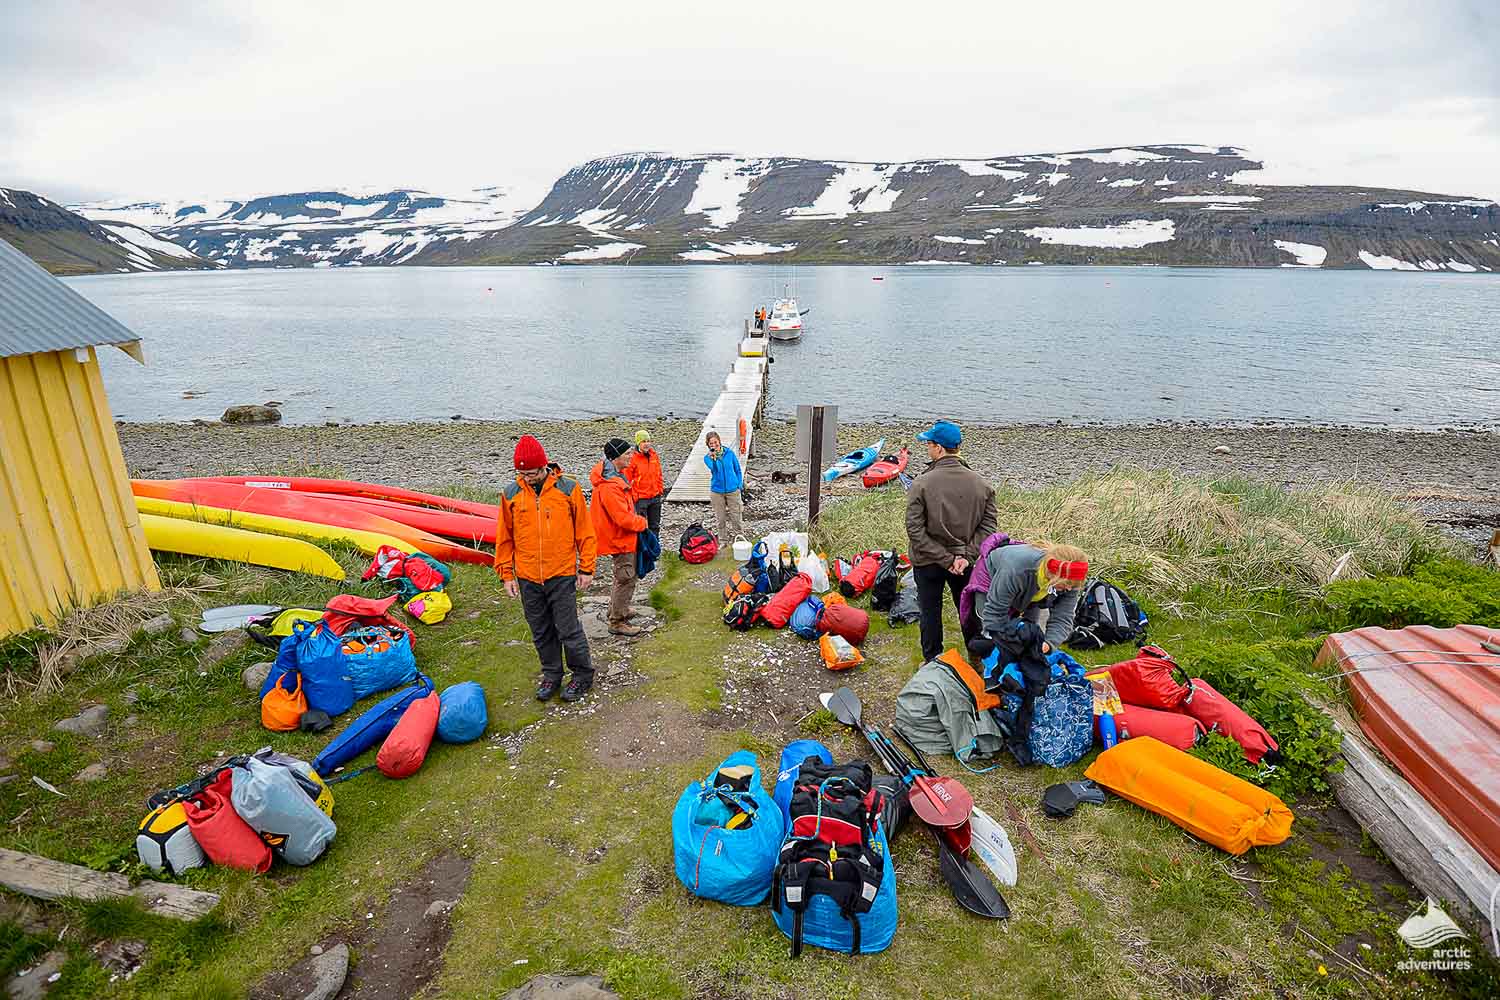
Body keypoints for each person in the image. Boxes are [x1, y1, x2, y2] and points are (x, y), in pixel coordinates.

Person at [495, 434, 597, 703]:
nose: (527, 478)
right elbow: (504, 537)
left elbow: (585, 531)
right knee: (540, 630)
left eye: (531, 473)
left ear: (544, 467)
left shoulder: (568, 488)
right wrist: (507, 574)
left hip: (561, 573)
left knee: (568, 629)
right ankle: (552, 674)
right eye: (522, 473)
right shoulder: (510, 495)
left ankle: (582, 675)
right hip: (527, 576)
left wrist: (586, 568)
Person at [904, 420, 997, 662]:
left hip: (928, 561)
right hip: (966, 563)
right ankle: (977, 661)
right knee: (968, 612)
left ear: (938, 448)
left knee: (930, 613)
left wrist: (946, 559)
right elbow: (988, 528)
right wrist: (965, 557)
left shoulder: (921, 484)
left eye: (928, 444)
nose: (927, 448)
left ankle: (933, 663)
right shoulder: (982, 485)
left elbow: (915, 530)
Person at [977, 542, 1090, 653]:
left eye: (1073, 585)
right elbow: (995, 612)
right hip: (992, 576)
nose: (1069, 589)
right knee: (986, 636)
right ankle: (977, 663)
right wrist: (1001, 645)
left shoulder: (1071, 579)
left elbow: (1063, 617)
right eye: (1066, 584)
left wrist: (1048, 644)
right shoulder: (1016, 569)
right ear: (1051, 574)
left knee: (1028, 633)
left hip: (1032, 592)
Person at [591, 438, 650, 639]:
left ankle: (617, 609)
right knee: (626, 578)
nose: (631, 457)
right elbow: (621, 518)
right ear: (615, 457)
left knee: (623, 576)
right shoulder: (609, 485)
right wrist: (642, 523)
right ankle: (617, 621)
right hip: (620, 539)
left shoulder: (614, 476)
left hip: (621, 537)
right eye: (627, 454)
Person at [703, 429, 744, 551]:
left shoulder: (730, 453)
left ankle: (739, 537)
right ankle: (723, 541)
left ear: (719, 441)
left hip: (733, 490)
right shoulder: (707, 458)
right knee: (720, 518)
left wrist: (739, 484)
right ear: (708, 445)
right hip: (717, 491)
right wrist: (714, 459)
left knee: (736, 515)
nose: (714, 445)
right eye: (711, 444)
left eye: (715, 442)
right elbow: (715, 471)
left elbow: (737, 469)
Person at [623, 428, 664, 539]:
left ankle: (654, 550)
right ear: (638, 443)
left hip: (655, 497)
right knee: (640, 527)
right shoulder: (632, 459)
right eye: (643, 441)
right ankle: (641, 550)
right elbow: (627, 480)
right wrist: (634, 496)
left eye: (648, 441)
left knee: (655, 526)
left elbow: (659, 474)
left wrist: (660, 490)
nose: (646, 444)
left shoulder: (654, 456)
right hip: (641, 499)